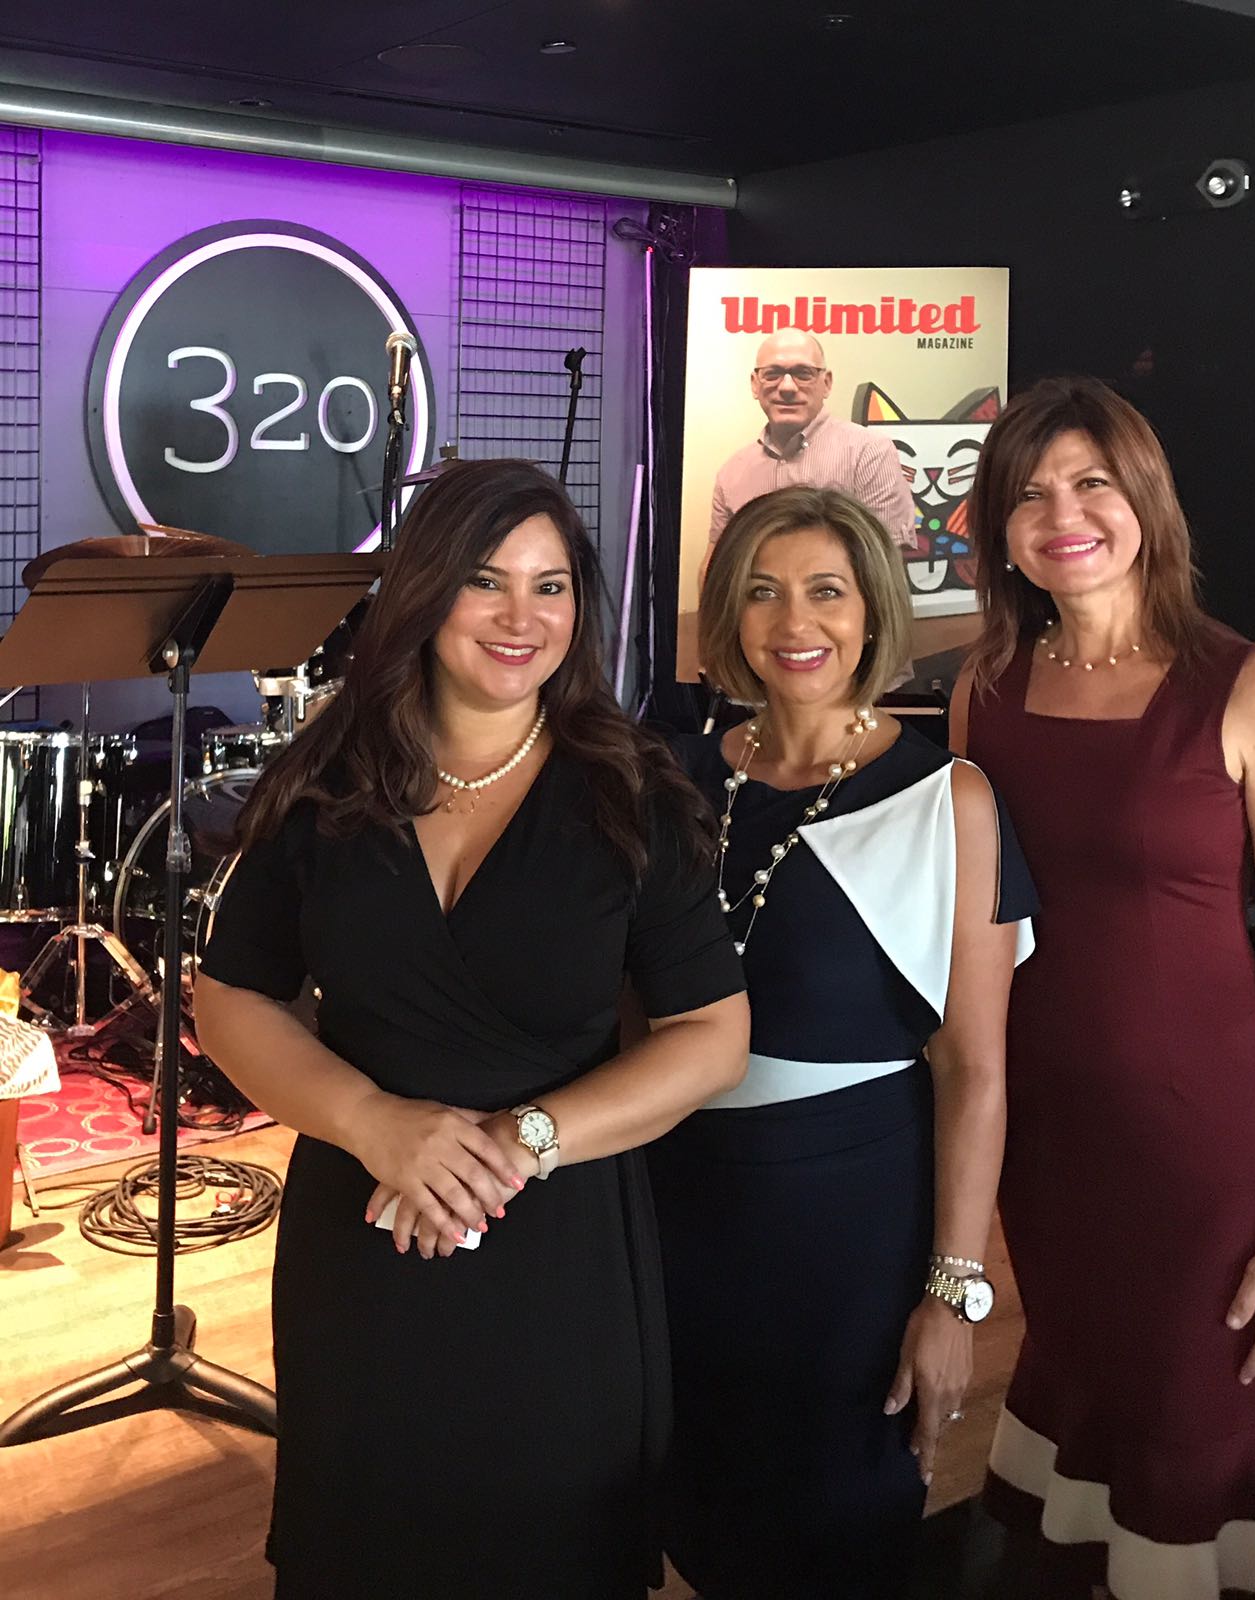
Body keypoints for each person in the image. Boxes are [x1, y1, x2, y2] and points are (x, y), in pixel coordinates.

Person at [193, 458, 750, 1600]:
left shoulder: (629, 789)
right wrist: (371, 1120)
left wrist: (520, 1141)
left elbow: (711, 1032)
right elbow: (232, 996)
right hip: (363, 1237)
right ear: (424, 589)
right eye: (485, 581)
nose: (520, 617)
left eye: (551, 587)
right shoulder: (325, 780)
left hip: (559, 1248)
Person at [651, 484, 1036, 1599]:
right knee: (702, 1518)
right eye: (762, 593)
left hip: (848, 1224)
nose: (794, 623)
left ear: (872, 609)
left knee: (835, 1530)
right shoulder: (677, 778)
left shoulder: (948, 799)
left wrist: (952, 1292)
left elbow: (974, 1068)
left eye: (826, 591)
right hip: (679, 1206)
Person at [949, 375, 1255, 1600]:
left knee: (1200, 1424)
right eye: (1028, 493)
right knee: (1095, 1405)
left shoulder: (1245, 688)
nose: (1062, 515)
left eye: (1090, 482)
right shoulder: (983, 689)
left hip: (1211, 1157)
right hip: (1049, 1149)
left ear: (1145, 498)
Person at [699, 328, 916, 591]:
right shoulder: (732, 473)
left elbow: (887, 569)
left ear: (827, 383)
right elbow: (713, 568)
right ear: (755, 384)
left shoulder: (869, 454)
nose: (787, 387)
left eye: (803, 373)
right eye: (772, 374)